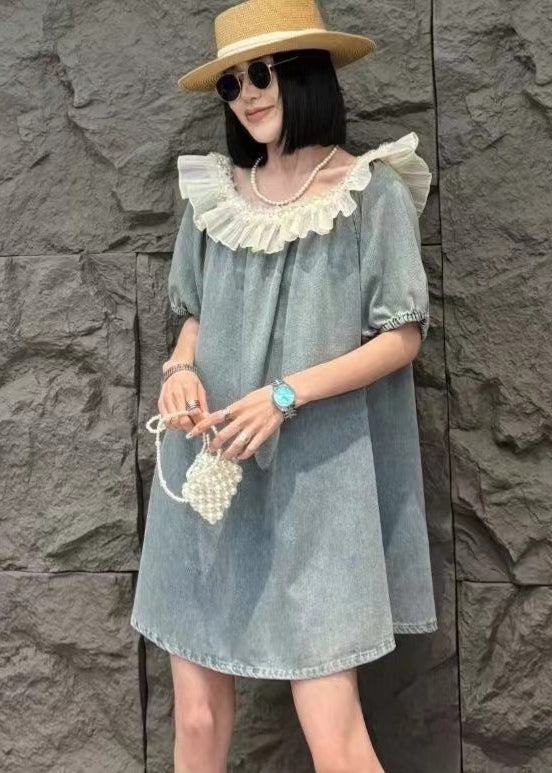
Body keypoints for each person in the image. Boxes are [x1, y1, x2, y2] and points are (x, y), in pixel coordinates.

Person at [130, 0, 438, 770]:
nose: (247, 95)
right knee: (196, 716)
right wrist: (179, 371)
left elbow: (402, 334)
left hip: (318, 485)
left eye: (262, 73)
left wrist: (284, 393)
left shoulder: (370, 192)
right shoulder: (215, 197)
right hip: (211, 471)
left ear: (305, 74)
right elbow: (194, 316)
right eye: (232, 83)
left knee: (333, 729)